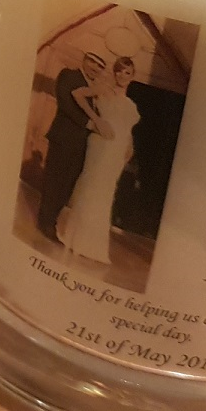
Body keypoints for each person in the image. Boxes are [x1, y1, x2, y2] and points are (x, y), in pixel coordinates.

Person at [59, 56, 141, 265]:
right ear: (115, 72)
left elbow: (126, 127)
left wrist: (129, 145)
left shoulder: (129, 103)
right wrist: (96, 120)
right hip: (102, 144)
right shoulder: (104, 89)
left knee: (106, 191)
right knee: (92, 186)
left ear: (132, 76)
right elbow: (77, 94)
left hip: (118, 150)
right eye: (119, 71)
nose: (122, 76)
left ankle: (94, 245)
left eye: (127, 73)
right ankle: (76, 238)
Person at [36, 51, 108, 243]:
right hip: (64, 138)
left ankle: (52, 221)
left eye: (100, 66)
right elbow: (66, 103)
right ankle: (45, 222)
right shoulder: (69, 75)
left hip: (81, 145)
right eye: (93, 62)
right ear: (84, 60)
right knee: (54, 181)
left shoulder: (94, 89)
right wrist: (89, 124)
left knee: (67, 185)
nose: (95, 68)